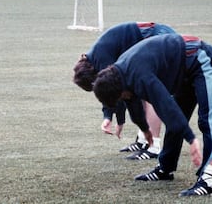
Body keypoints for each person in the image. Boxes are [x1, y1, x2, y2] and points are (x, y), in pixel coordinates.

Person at [92, 33, 212, 197]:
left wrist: (191, 139)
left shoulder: (139, 75)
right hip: (183, 72)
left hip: (200, 58)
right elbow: (133, 104)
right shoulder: (121, 75)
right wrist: (146, 131)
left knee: (208, 120)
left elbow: (165, 105)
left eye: (121, 97)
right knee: (174, 121)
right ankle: (165, 168)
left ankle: (209, 178)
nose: (124, 99)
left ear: (120, 91)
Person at [73, 22, 175, 159]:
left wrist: (119, 121)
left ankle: (154, 147)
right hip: (155, 36)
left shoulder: (102, 58)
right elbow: (117, 92)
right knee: (138, 89)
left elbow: (116, 90)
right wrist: (109, 117)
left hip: (160, 37)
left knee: (148, 93)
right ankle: (143, 141)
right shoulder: (96, 59)